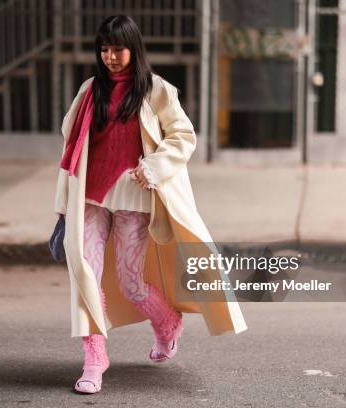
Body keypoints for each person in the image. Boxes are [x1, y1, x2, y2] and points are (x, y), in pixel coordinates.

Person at [54, 15, 247, 395]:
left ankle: (167, 323)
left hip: (134, 198)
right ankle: (95, 357)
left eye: (117, 48)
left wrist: (153, 167)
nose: (110, 56)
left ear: (133, 49)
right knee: (84, 273)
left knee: (129, 280)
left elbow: (182, 135)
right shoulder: (91, 90)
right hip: (91, 195)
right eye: (104, 49)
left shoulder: (156, 90)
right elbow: (70, 141)